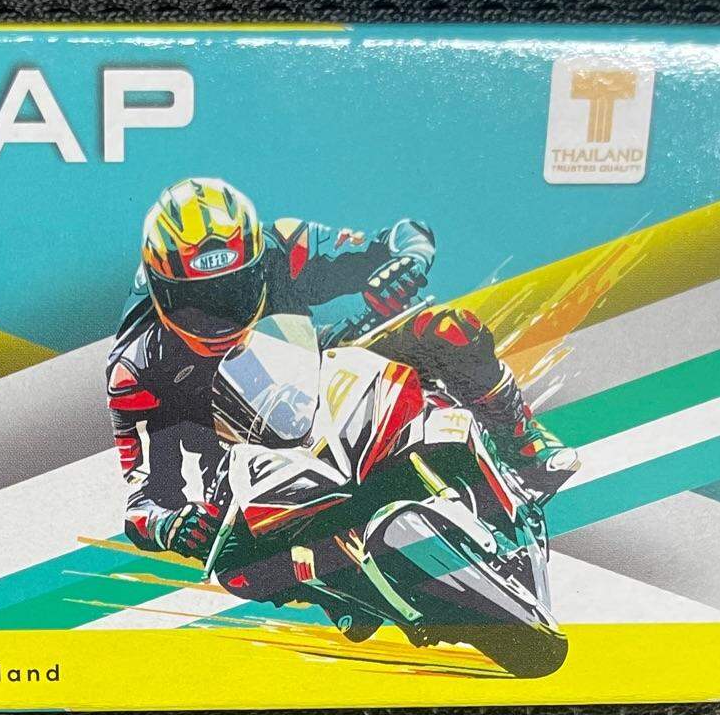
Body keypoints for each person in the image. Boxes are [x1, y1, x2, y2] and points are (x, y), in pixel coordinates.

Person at [106, 175, 578, 557]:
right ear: (162, 288)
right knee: (229, 550)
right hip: (236, 459)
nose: (221, 316)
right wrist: (171, 525)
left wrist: (406, 264)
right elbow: (141, 499)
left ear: (255, 263)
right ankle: (332, 580)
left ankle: (524, 447)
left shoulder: (281, 245)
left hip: (310, 373)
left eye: (234, 291)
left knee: (449, 331)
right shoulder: (135, 366)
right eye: (199, 301)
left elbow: (402, 237)